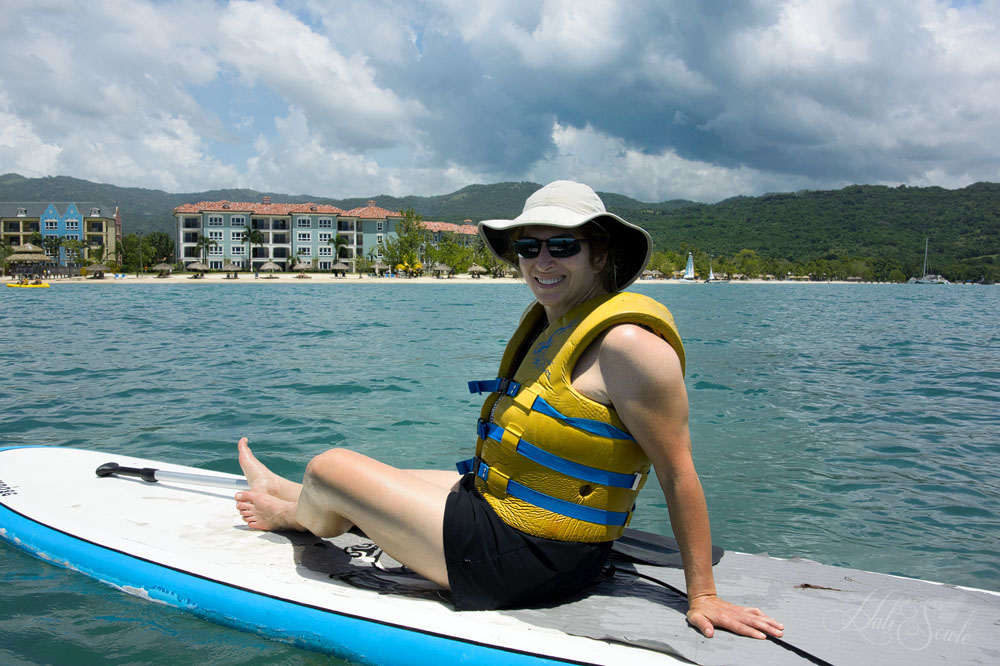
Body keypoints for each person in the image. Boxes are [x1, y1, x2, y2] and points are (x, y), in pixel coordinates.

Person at [234, 180, 783, 640]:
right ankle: (287, 491)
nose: (542, 261)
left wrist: (704, 595)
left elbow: (677, 469)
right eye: (528, 247)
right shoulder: (554, 324)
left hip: (527, 561)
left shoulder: (629, 346)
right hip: (503, 517)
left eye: (562, 246)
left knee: (330, 468)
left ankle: (291, 511)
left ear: (600, 253)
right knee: (389, 479)